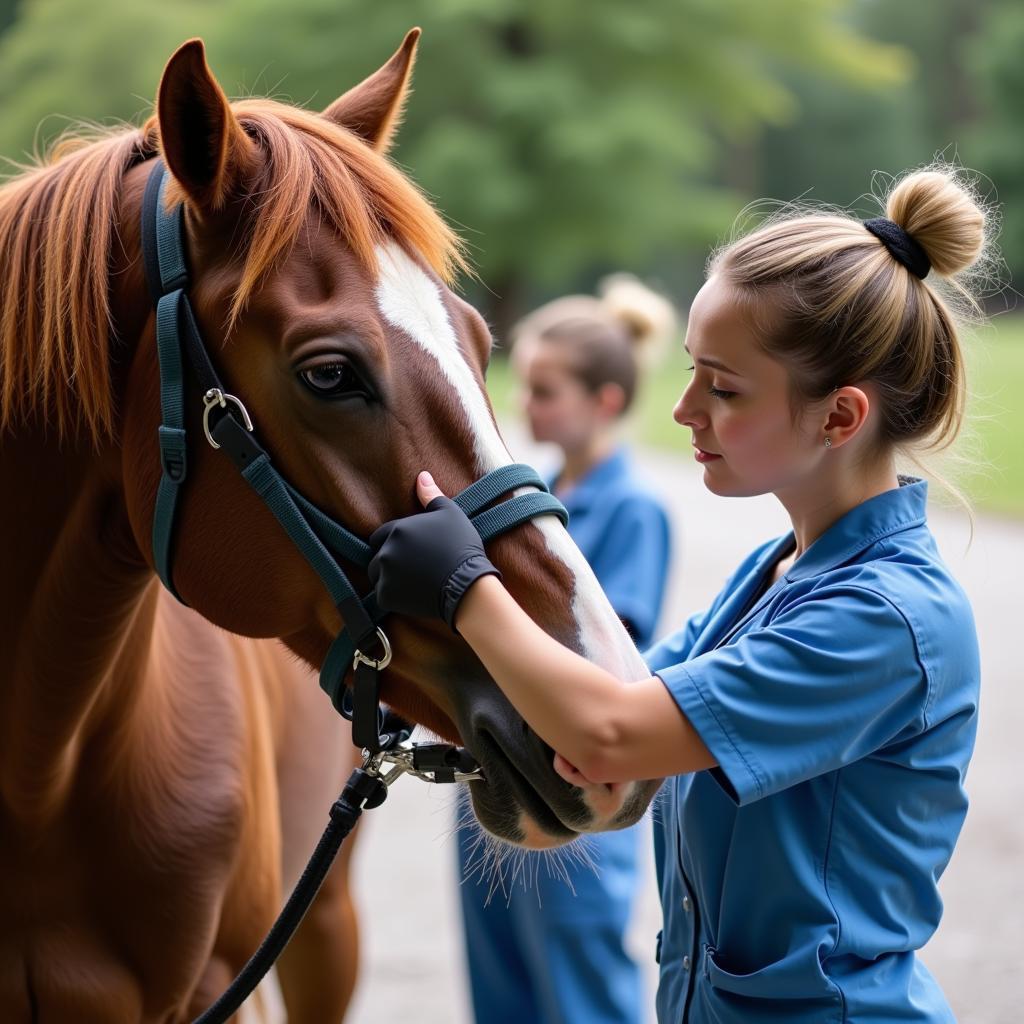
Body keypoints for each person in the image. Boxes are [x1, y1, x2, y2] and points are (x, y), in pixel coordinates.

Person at [368, 165, 988, 1022]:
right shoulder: (772, 578)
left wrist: (464, 585)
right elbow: (606, 714)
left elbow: (612, 733)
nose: (684, 409)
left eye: (724, 389)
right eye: (694, 373)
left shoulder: (882, 620)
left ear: (839, 418)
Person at [455, 277, 676, 1024]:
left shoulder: (633, 508)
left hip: (575, 786)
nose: (525, 403)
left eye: (546, 389)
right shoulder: (531, 499)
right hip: (499, 770)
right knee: (501, 983)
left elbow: (610, 657)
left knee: (580, 985)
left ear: (605, 401)